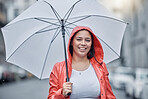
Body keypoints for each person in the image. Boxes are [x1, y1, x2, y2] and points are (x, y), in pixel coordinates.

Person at [47, 26, 116, 99]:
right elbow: (51, 97)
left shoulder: (101, 66)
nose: (83, 43)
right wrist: (61, 93)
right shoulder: (58, 67)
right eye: (79, 39)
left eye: (87, 40)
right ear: (71, 42)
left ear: (91, 43)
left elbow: (109, 96)